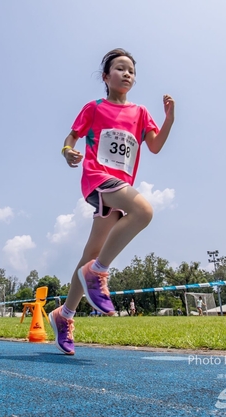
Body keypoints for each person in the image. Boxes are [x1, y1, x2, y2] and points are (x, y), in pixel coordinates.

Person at [48, 48, 175, 355]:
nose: (127, 73)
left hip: (120, 187)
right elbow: (71, 137)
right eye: (120, 68)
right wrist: (67, 152)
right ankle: (99, 271)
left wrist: (169, 119)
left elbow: (155, 146)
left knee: (90, 254)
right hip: (97, 177)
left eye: (131, 70)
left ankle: (64, 315)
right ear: (105, 77)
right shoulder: (94, 107)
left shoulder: (141, 113)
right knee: (143, 211)